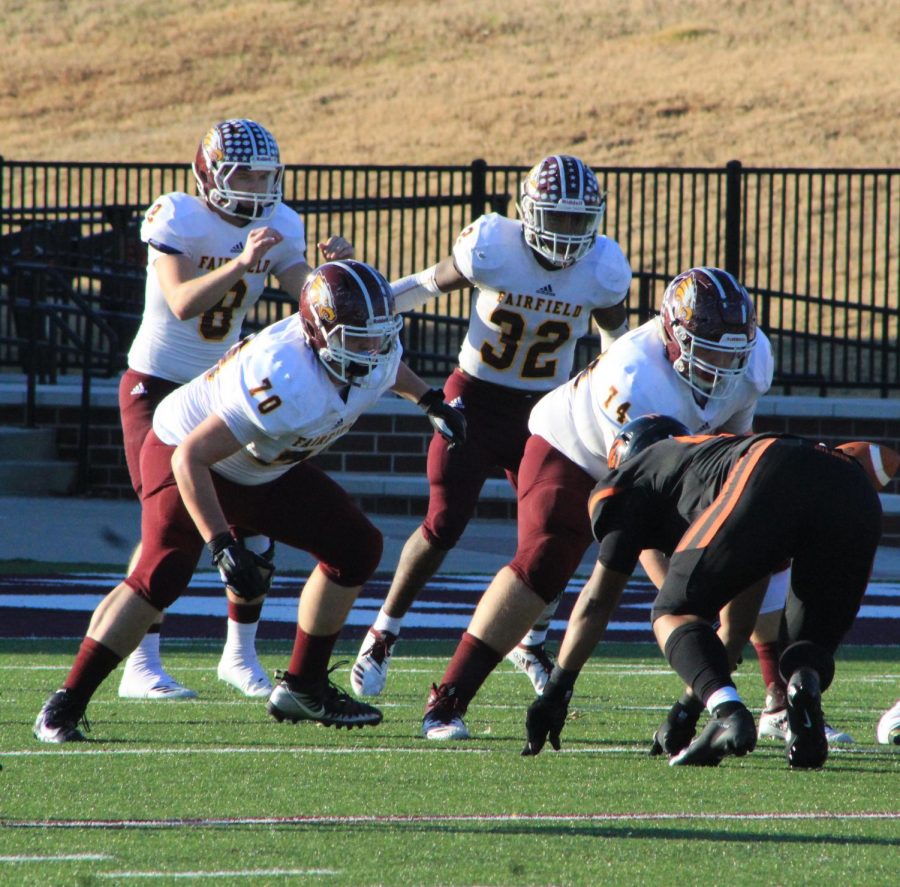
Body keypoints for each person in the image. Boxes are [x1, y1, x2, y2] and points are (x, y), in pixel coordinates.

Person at [33, 260, 466, 743]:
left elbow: (387, 369)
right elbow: (192, 457)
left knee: (356, 546)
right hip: (186, 452)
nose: (372, 348)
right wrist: (221, 545)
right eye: (357, 338)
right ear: (319, 333)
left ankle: (304, 686)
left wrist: (430, 401)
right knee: (165, 571)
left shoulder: (369, 348)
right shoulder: (284, 375)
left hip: (263, 466)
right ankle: (64, 705)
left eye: (377, 335)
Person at [418, 266, 778, 740]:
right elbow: (642, 508)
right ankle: (447, 700)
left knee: (751, 540)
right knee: (545, 559)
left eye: (732, 352)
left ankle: (780, 700)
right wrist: (682, 591)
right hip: (575, 450)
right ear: (673, 336)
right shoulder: (633, 375)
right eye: (708, 348)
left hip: (676, 457)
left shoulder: (753, 362)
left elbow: (734, 436)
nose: (722, 364)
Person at [350, 154, 633, 699]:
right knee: (443, 523)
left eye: (579, 219)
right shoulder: (493, 247)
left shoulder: (602, 268)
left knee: (549, 538)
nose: (568, 232)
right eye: (557, 217)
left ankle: (531, 643)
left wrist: (606, 407)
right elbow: (427, 285)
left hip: (549, 414)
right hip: (474, 400)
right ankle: (382, 632)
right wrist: (362, 300)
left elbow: (616, 346)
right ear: (527, 212)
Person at [117, 118, 355, 701]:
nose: (255, 186)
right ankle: (139, 663)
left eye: (263, 175)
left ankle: (239, 655)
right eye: (243, 174)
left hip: (223, 385)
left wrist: (334, 276)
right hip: (158, 382)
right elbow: (178, 302)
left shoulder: (277, 223)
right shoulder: (178, 215)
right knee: (167, 527)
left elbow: (308, 299)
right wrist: (239, 265)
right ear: (211, 175)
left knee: (252, 524)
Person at [522, 416, 893, 769]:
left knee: (671, 612)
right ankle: (804, 686)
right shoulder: (716, 463)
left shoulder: (634, 477)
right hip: (850, 486)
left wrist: (556, 692)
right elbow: (734, 627)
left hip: (767, 467)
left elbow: (597, 601)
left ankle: (730, 716)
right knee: (807, 649)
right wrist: (686, 710)